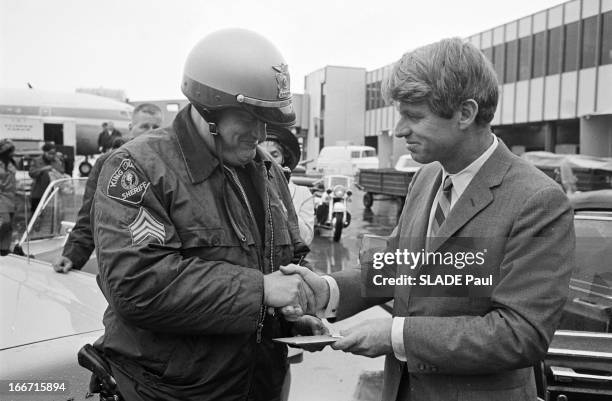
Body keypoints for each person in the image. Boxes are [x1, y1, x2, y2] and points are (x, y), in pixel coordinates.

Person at [282, 38, 575, 401]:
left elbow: (521, 334)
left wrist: (396, 335)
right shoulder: (425, 178)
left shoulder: (537, 201)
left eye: (415, 116)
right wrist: (327, 290)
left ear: (465, 113)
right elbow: (397, 267)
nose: (398, 130)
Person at [90, 28, 322, 401]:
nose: (260, 135)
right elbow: (135, 285)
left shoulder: (268, 172)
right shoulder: (138, 168)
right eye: (249, 119)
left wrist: (294, 316)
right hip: (173, 392)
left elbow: (288, 260)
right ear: (208, 107)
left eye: (266, 122)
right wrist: (260, 289)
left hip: (260, 384)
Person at [52, 103, 164, 273]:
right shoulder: (108, 162)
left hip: (162, 259)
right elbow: (90, 214)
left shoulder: (169, 164)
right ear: (131, 127)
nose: (150, 131)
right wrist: (72, 255)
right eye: (144, 126)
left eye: (155, 127)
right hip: (120, 259)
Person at [261, 126, 315, 245]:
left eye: (274, 155)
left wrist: (281, 198)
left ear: (284, 159)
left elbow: (306, 240)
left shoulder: (303, 193)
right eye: (262, 156)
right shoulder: (246, 189)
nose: (267, 161)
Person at [28, 141, 65, 212]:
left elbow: (62, 173)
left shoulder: (57, 162)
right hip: (38, 194)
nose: (51, 156)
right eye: (50, 153)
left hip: (52, 195)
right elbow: (31, 173)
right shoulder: (36, 161)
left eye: (53, 154)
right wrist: (43, 169)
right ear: (44, 152)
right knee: (37, 215)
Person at [0, 139, 17, 256]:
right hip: (1, 197)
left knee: (10, 225)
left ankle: (4, 248)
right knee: (5, 222)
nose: (12, 153)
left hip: (11, 198)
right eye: (9, 151)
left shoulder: (11, 164)